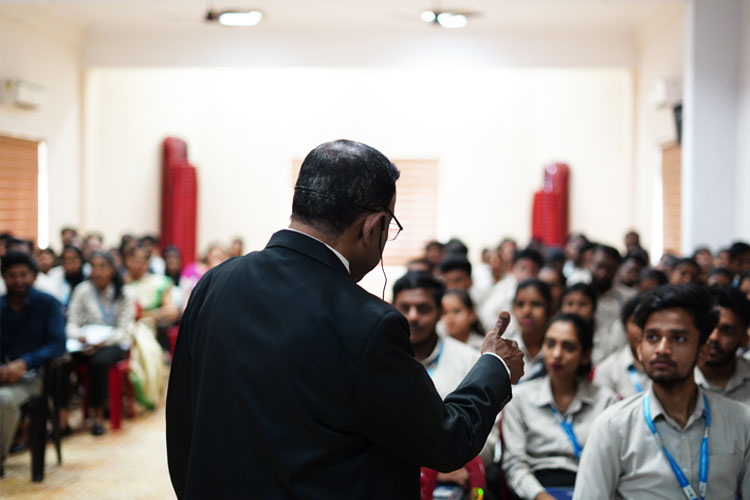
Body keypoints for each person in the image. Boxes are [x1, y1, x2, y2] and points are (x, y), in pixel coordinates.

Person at [166, 139, 524, 499]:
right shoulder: (369, 323)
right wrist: (494, 366)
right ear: (373, 226)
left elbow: (182, 423)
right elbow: (446, 441)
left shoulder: (215, 282)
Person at [573, 284, 750, 499]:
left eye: (678, 338)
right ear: (640, 349)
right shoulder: (613, 426)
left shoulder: (740, 421)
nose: (662, 349)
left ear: (703, 353)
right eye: (653, 337)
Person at [392, 271, 497, 479]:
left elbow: (488, 438)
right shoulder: (381, 360)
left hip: (459, 476)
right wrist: (430, 472)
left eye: (423, 309)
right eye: (405, 308)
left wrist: (450, 466)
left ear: (440, 311)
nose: (413, 316)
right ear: (392, 308)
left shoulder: (469, 360)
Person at [502, 314, 617, 500]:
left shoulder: (605, 401)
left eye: (568, 347)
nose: (556, 354)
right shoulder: (520, 398)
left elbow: (611, 466)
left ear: (585, 355)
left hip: (589, 488)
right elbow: (515, 465)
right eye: (550, 344)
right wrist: (541, 496)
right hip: (537, 489)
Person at [1, 252, 66, 466]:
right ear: (4, 277)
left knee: (3, 400)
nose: (18, 280)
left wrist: (24, 363)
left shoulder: (48, 304)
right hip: (3, 374)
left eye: (23, 274)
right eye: (12, 275)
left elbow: (58, 344)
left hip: (34, 377)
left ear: (33, 276)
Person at [64, 251, 136, 435]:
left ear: (112, 269)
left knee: (99, 362)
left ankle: (97, 415)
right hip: (85, 342)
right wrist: (80, 336)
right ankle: (62, 418)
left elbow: (125, 329)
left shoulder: (124, 292)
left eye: (102, 267)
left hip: (113, 343)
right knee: (62, 361)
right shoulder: (82, 290)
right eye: (93, 267)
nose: (97, 272)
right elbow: (71, 323)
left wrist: (103, 341)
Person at [694, 285, 750, 404]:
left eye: (727, 330)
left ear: (744, 340)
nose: (713, 337)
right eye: (708, 326)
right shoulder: (676, 378)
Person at [593, 293, 650, 398]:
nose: (643, 330)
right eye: (637, 322)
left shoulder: (667, 366)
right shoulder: (607, 370)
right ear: (624, 326)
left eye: (648, 322)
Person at [480, 248, 543, 330]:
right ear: (512, 268)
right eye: (523, 268)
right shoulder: (503, 287)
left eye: (533, 270)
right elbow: (487, 313)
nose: (528, 274)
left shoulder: (540, 290)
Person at [507, 279, 553, 382]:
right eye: (520, 304)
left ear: (549, 308)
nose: (527, 311)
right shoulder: (505, 347)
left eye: (536, 304)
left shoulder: (558, 349)